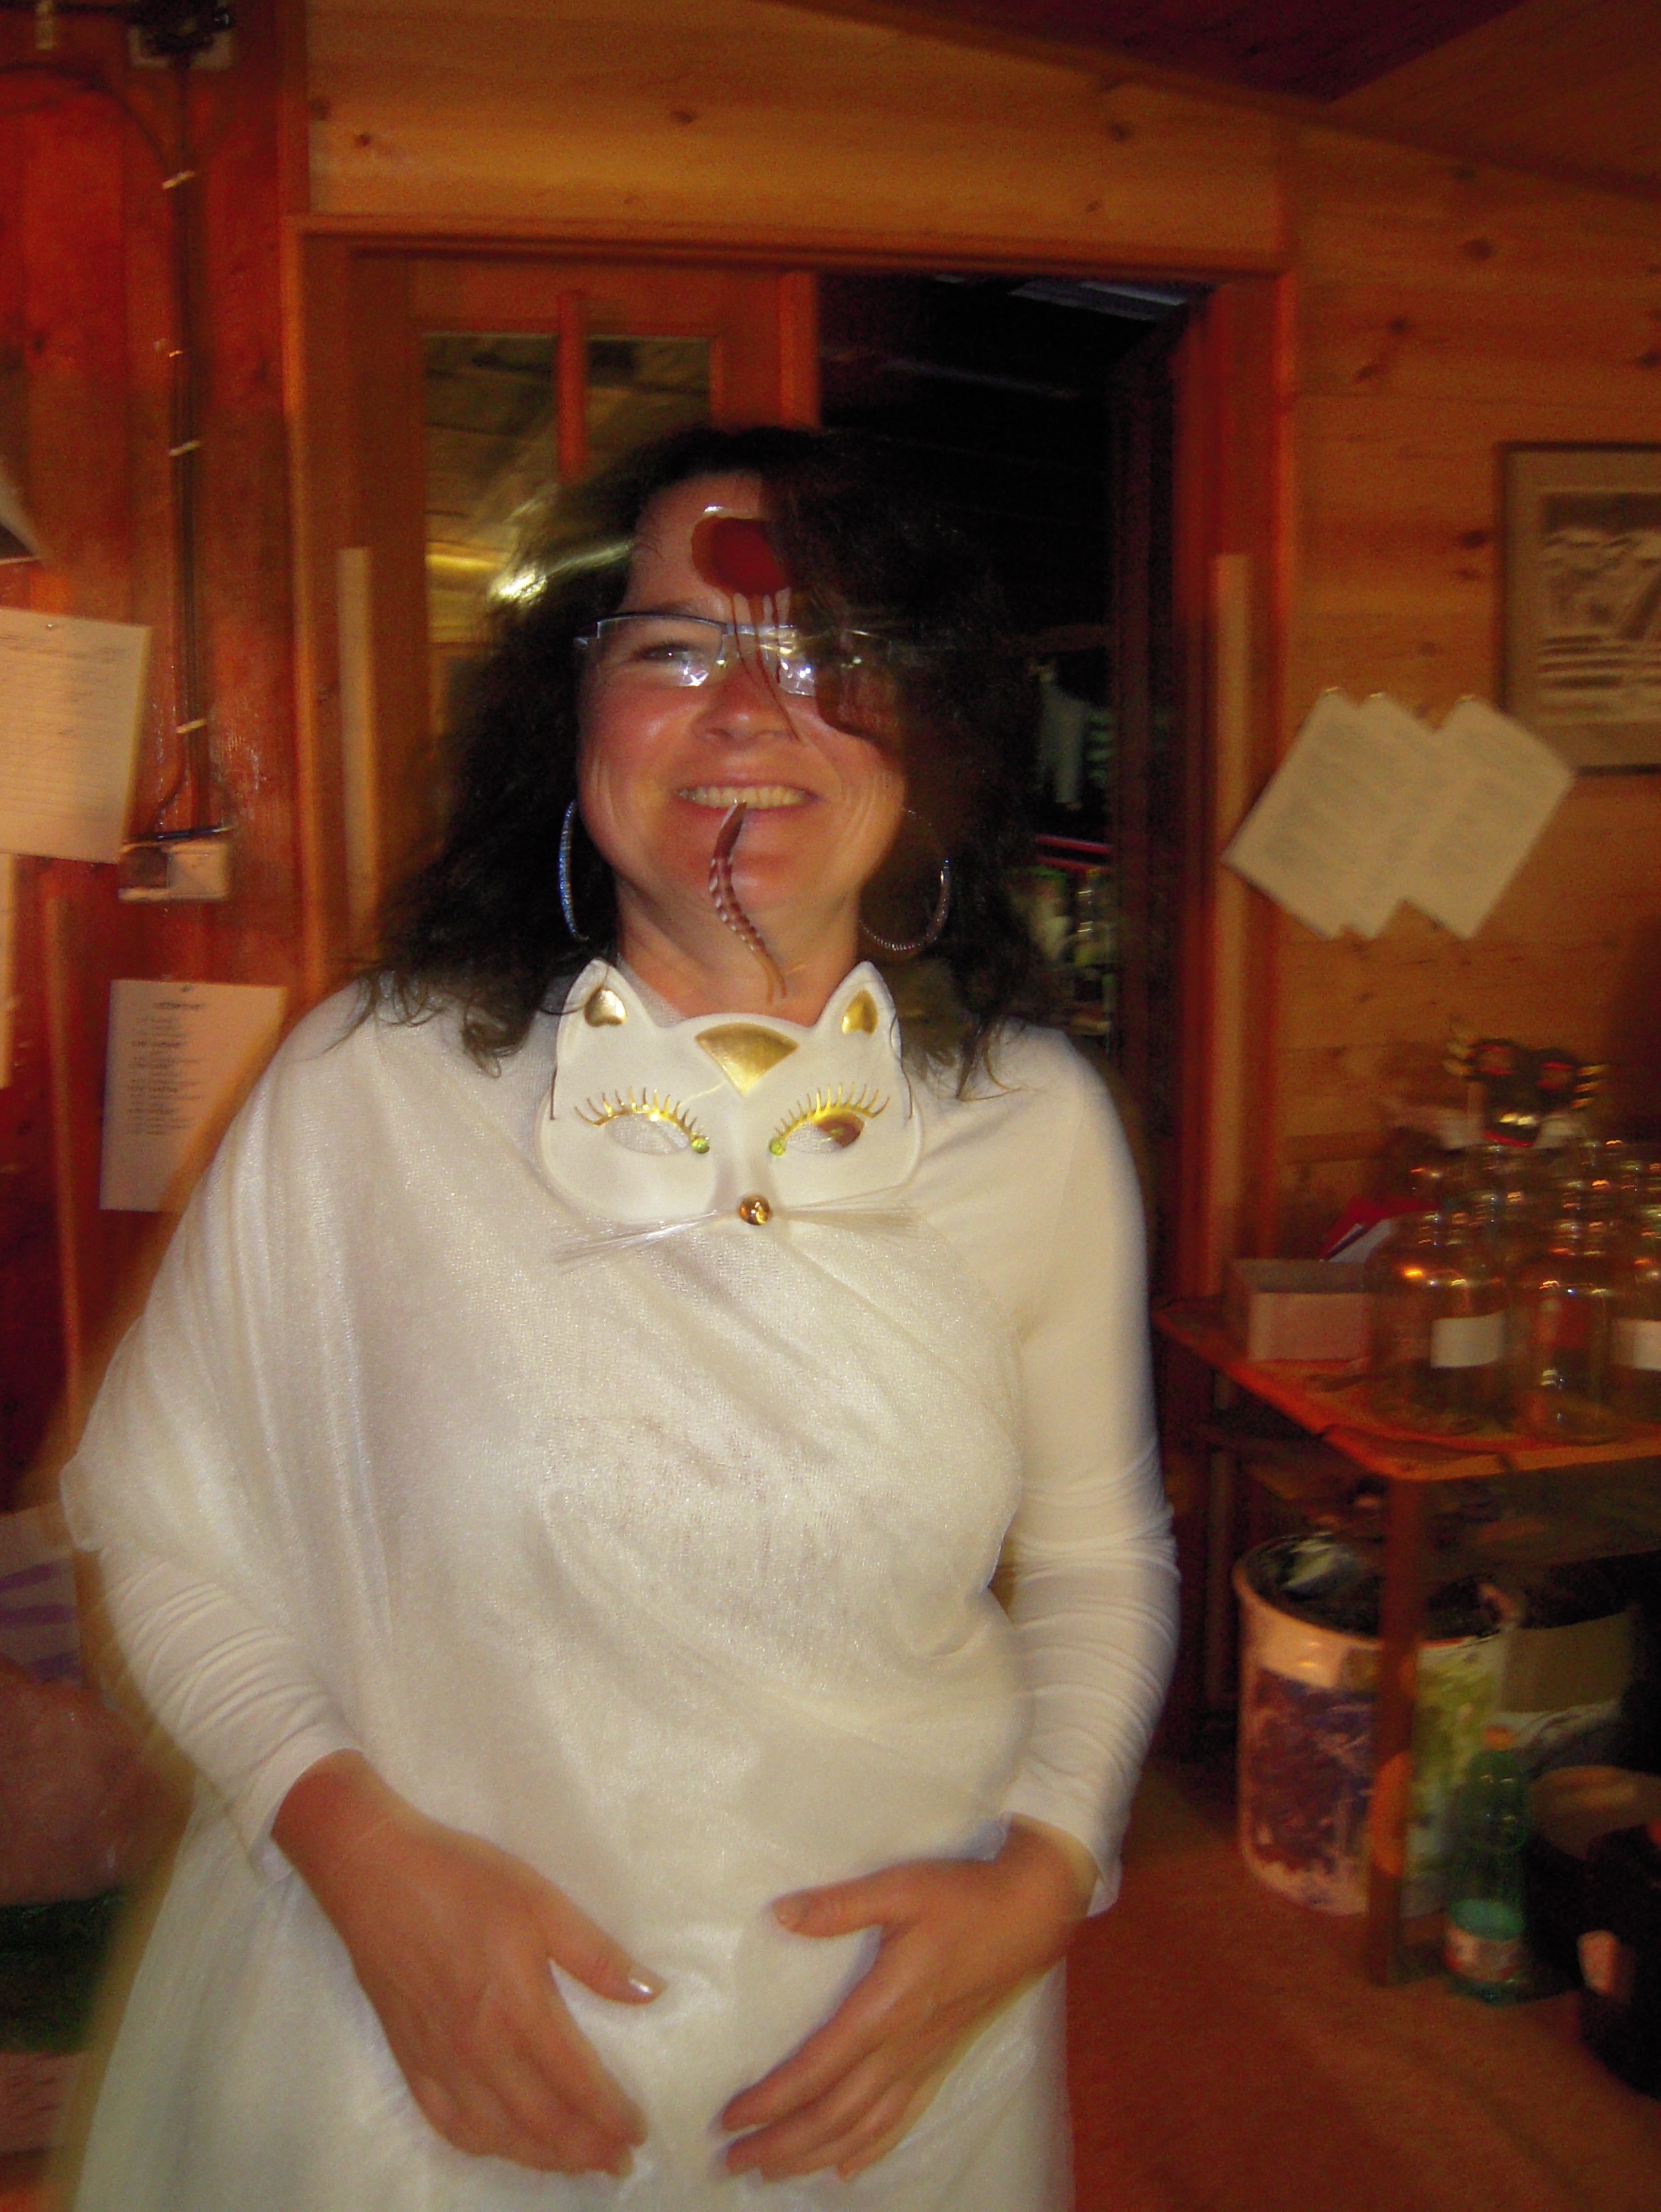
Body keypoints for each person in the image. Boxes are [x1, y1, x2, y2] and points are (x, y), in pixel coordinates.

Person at [61, 425, 1177, 2210]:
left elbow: (1101, 1556)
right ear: (575, 718)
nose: (749, 710)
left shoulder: (1032, 1124)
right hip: (417, 2060)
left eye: (833, 654)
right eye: (674, 647)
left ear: (931, 738)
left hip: (885, 2068)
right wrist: (348, 1852)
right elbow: (159, 1526)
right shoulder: (368, 1093)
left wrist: (1049, 1868)